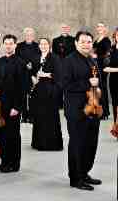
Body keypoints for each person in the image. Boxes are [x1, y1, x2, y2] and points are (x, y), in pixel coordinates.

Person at [63, 30, 102, 191]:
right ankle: (75, 178)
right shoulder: (68, 61)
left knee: (90, 144)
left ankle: (84, 172)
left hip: (93, 108)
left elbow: (97, 85)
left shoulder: (92, 60)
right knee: (77, 144)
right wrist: (88, 84)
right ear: (76, 43)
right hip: (76, 110)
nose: (86, 44)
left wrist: (101, 105)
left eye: (89, 42)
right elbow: (65, 85)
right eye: (83, 41)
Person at [0, 34, 26, 173]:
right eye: (6, 43)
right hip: (0, 104)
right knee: (1, 134)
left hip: (13, 105)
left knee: (13, 135)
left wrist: (17, 107)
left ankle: (14, 164)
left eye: (11, 43)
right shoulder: (0, 61)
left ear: (15, 45)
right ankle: (4, 161)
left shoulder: (21, 63)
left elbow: (23, 87)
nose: (8, 45)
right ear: (3, 45)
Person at [30, 38, 63, 151]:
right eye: (41, 44)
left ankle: (51, 144)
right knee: (39, 116)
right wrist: (33, 78)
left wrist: (47, 74)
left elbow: (59, 74)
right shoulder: (35, 58)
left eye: (45, 44)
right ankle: (39, 143)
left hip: (50, 90)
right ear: (39, 46)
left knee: (50, 116)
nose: (43, 46)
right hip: (38, 90)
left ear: (49, 45)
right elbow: (31, 72)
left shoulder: (55, 58)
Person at [16, 27, 41, 123]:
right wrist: (25, 64)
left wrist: (32, 65)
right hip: (22, 74)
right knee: (23, 95)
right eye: (27, 34)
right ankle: (24, 115)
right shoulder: (19, 46)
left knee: (33, 96)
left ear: (33, 35)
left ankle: (31, 116)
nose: (29, 36)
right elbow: (17, 58)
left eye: (30, 34)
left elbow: (39, 58)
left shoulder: (37, 46)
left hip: (34, 74)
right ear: (24, 35)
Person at [93, 23, 111, 119]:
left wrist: (97, 56)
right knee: (97, 89)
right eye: (98, 26)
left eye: (101, 26)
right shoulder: (96, 39)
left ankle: (105, 113)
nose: (99, 28)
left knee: (102, 88)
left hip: (102, 67)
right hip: (95, 66)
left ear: (104, 28)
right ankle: (99, 111)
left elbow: (107, 55)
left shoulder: (106, 40)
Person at [103, 28, 118, 123]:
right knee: (115, 105)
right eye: (117, 35)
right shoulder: (111, 50)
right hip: (115, 82)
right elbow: (105, 68)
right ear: (115, 37)